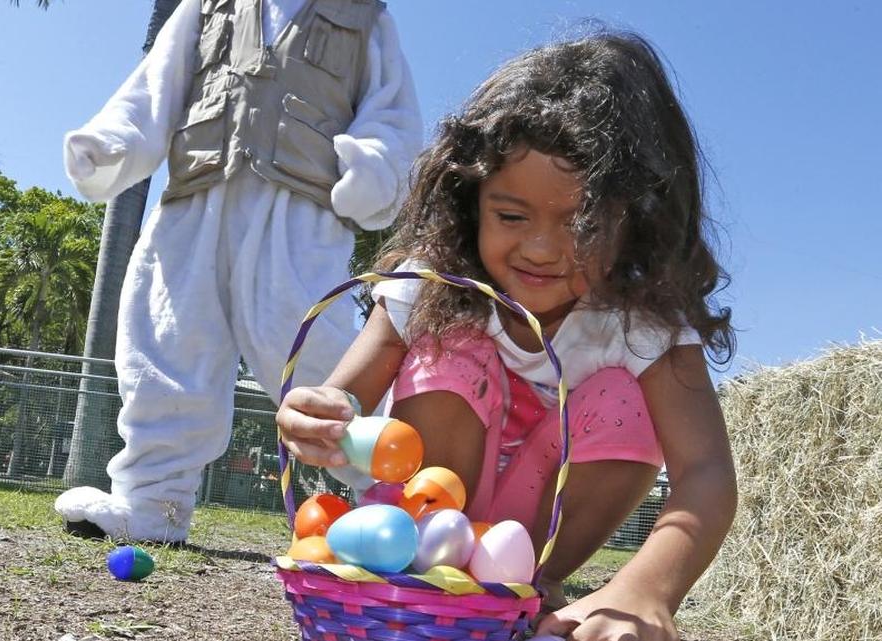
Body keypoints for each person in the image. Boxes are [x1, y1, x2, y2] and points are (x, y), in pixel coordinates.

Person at [276, 31, 737, 641]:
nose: (542, 249)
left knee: (628, 399)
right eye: (511, 216)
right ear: (471, 202)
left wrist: (642, 590)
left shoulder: (642, 324)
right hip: (420, 520)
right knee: (451, 343)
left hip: (533, 546)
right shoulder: (433, 281)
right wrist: (324, 413)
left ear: (640, 220)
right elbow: (345, 396)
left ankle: (528, 585)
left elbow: (706, 471)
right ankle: (428, 575)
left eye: (585, 223)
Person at [56, 0, 422, 543]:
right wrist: (114, 140)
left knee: (321, 354)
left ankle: (397, 495)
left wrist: (371, 167)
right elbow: (157, 83)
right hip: (193, 207)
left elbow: (392, 112)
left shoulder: (365, 18)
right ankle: (154, 501)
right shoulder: (205, 7)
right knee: (168, 346)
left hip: (299, 216)